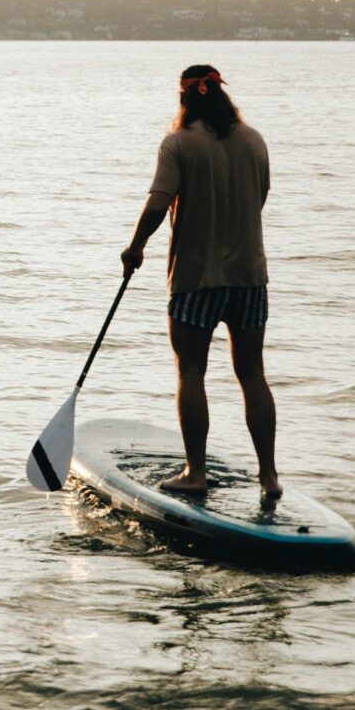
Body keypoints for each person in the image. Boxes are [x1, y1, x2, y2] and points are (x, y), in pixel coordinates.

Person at [117, 64, 278, 502]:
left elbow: (157, 204)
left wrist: (136, 247)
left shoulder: (178, 143)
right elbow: (259, 199)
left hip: (195, 280)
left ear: (184, 99)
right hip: (249, 278)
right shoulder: (254, 140)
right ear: (223, 98)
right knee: (253, 375)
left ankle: (196, 472)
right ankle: (269, 477)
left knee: (191, 372)